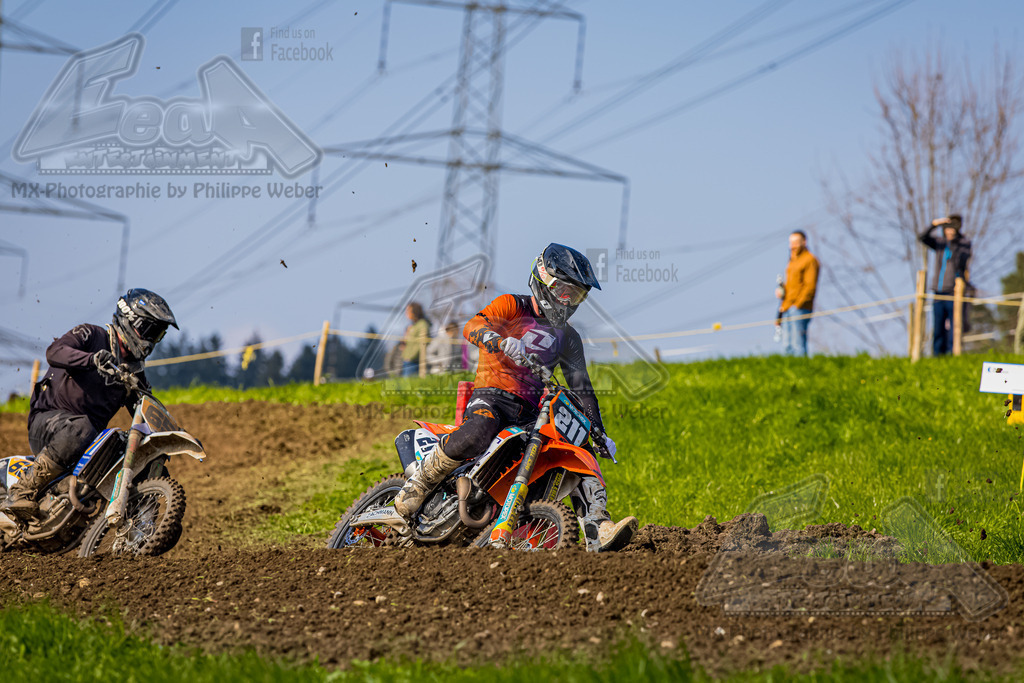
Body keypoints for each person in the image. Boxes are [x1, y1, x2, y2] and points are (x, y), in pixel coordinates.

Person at [393, 243, 638, 552]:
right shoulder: (512, 305)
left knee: (577, 445)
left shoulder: (569, 338)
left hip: (530, 412)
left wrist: (598, 431)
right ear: (543, 279)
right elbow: (474, 325)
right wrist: (497, 338)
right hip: (492, 396)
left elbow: (583, 388)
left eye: (576, 295)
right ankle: (418, 486)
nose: (568, 301)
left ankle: (599, 527)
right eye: (564, 291)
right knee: (479, 431)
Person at [1, 289, 177, 520]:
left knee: (131, 449)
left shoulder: (134, 373)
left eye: (158, 335)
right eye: (149, 331)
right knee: (83, 427)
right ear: (130, 321)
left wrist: (169, 436)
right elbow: (54, 352)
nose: (151, 340)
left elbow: (146, 409)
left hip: (88, 441)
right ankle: (22, 489)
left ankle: (139, 528)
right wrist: (91, 359)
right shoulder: (91, 335)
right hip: (49, 422)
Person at [919, 214, 972, 356]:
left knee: (955, 326)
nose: (949, 231)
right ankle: (937, 355)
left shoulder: (963, 243)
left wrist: (955, 241)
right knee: (938, 327)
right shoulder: (939, 243)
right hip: (938, 291)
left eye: (952, 227)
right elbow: (922, 237)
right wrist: (935, 224)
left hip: (953, 291)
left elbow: (962, 259)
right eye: (947, 227)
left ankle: (952, 354)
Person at [776, 230, 819, 357]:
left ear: (804, 242)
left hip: (800, 308)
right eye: (790, 243)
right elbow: (792, 285)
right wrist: (782, 291)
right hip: (787, 306)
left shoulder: (810, 260)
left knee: (798, 344)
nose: (792, 246)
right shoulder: (792, 261)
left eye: (795, 242)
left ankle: (801, 372)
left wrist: (798, 305)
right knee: (786, 345)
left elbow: (810, 286)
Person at [401, 302, 430, 376]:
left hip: (414, 361)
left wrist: (411, 356)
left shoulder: (422, 324)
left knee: (409, 386)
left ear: (415, 312)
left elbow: (423, 344)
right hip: (407, 360)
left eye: (408, 311)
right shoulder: (412, 326)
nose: (406, 313)